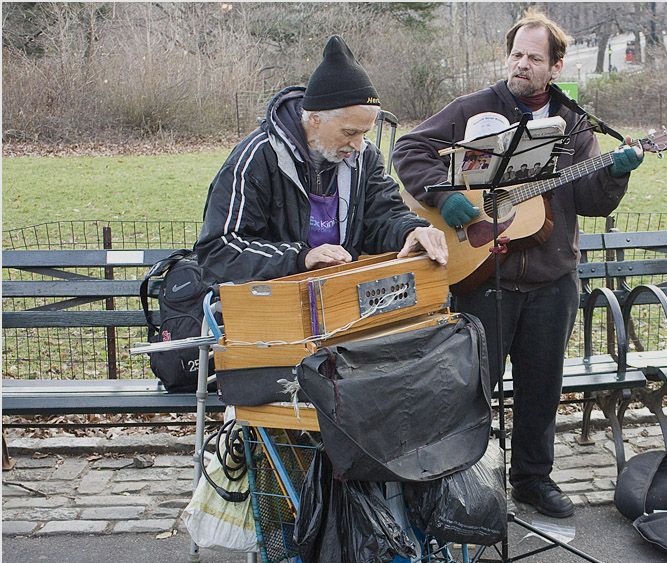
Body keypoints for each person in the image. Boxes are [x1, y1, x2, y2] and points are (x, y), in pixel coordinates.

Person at [393, 10, 644, 518]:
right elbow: (409, 148)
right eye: (516, 54)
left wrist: (616, 174)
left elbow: (593, 199)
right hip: (483, 276)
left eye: (534, 57)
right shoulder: (475, 109)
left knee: (541, 388)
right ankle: (462, 486)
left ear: (555, 66)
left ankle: (532, 480)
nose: (521, 64)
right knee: (472, 390)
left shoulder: (574, 123)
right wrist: (444, 198)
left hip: (553, 278)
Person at [195, 35, 446, 285]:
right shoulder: (257, 157)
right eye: (350, 132)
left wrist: (412, 230)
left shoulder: (365, 157)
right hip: (274, 303)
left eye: (364, 133)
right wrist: (301, 258)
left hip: (342, 295)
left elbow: (385, 215)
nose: (358, 145)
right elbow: (219, 249)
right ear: (315, 119)